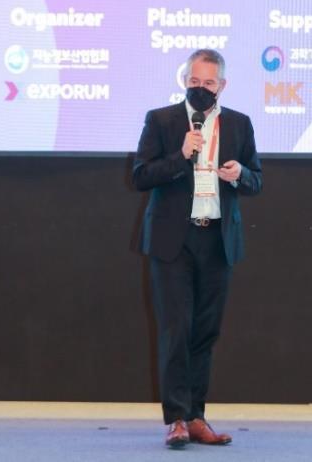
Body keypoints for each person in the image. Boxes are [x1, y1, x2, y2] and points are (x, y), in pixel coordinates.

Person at [133, 49, 262, 449]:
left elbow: (257, 180)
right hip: (174, 240)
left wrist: (240, 174)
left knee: (205, 333)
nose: (200, 89)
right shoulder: (162, 120)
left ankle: (196, 416)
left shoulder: (239, 124)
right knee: (175, 331)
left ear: (222, 85)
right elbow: (141, 175)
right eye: (194, 82)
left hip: (217, 240)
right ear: (184, 81)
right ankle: (175, 419)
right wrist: (180, 156)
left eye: (208, 83)